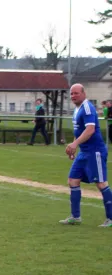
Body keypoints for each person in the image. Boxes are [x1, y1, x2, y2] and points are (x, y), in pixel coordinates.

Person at [59, 84, 112, 227]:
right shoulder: (78, 109)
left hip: (95, 151)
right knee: (73, 180)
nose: (73, 96)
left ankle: (111, 218)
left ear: (83, 93)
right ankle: (75, 217)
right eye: (71, 94)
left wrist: (74, 144)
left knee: (101, 183)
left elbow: (90, 130)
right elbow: (81, 132)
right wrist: (76, 146)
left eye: (76, 93)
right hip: (84, 152)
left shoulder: (87, 107)